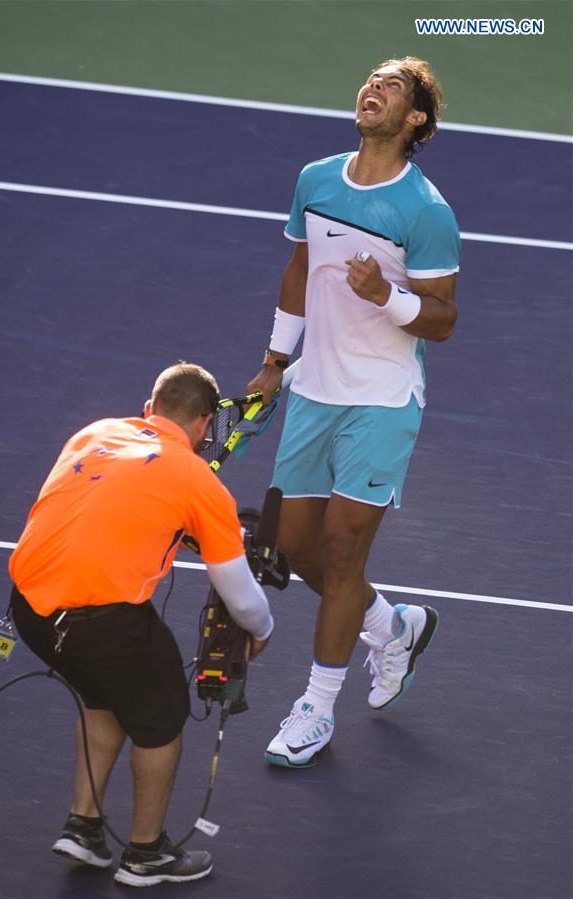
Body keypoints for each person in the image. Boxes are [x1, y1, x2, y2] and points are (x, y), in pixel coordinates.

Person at [247, 57, 460, 768]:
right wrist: (276, 362)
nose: (374, 89)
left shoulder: (426, 210)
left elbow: (442, 319)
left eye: (392, 87)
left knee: (342, 554)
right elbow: (302, 268)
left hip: (382, 399)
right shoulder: (316, 178)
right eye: (373, 80)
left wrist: (385, 297)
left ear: (416, 120)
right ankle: (390, 625)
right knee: (296, 546)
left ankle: (315, 707)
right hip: (313, 388)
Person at [8, 362, 273, 886]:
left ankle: (84, 826)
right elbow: (240, 597)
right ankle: (147, 854)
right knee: (160, 718)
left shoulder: (94, 433)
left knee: (104, 694)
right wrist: (262, 631)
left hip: (29, 609)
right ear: (204, 425)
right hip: (103, 622)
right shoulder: (199, 480)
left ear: (149, 408)